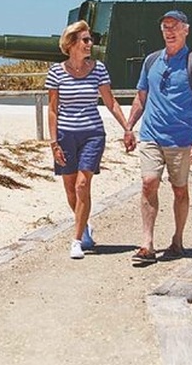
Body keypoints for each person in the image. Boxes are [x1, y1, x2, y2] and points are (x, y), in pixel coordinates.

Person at [126, 10, 192, 264]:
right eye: (165, 26)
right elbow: (141, 97)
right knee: (148, 182)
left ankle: (177, 239)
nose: (169, 31)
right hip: (151, 135)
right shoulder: (152, 61)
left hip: (181, 139)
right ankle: (147, 244)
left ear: (186, 30)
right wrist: (129, 126)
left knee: (179, 190)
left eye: (174, 26)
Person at [46, 20, 136, 259]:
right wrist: (53, 143)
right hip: (65, 135)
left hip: (92, 134)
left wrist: (127, 128)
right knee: (70, 190)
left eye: (90, 40)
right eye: (85, 40)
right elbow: (53, 110)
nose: (90, 44)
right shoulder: (56, 72)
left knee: (82, 185)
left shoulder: (98, 69)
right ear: (72, 43)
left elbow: (110, 101)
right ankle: (84, 226)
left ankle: (76, 240)